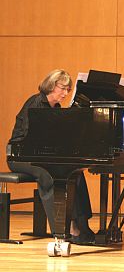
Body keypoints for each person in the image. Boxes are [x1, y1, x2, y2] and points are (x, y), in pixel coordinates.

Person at [7, 69, 95, 244]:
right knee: (48, 174)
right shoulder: (35, 104)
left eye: (68, 90)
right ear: (52, 85)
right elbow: (29, 140)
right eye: (62, 88)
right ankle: (61, 231)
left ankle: (82, 224)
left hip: (41, 156)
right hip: (20, 157)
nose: (65, 94)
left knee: (75, 172)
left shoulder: (56, 108)